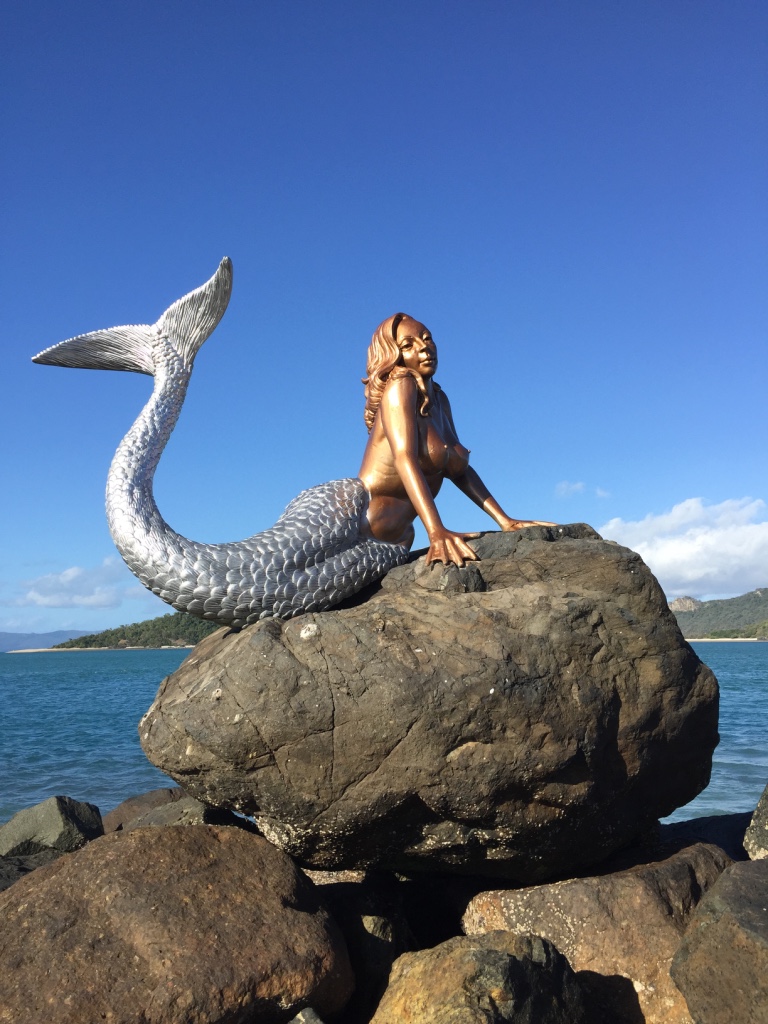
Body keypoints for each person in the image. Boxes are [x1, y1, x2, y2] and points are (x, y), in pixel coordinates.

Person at [359, 313, 553, 567]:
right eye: (408, 345)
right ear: (393, 356)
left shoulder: (439, 398)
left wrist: (506, 521)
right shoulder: (400, 385)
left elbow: (458, 469)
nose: (424, 348)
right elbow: (404, 458)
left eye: (427, 338)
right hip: (370, 531)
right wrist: (436, 532)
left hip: (401, 536)